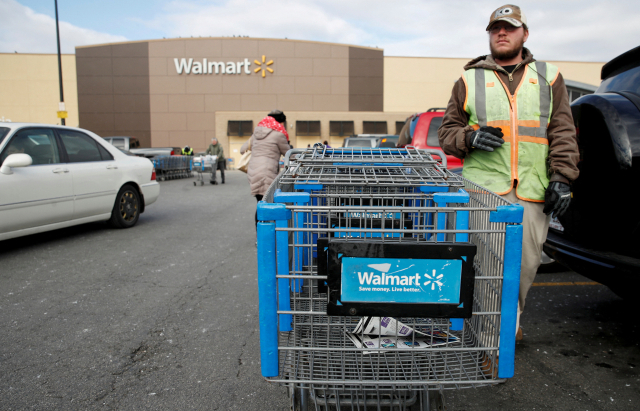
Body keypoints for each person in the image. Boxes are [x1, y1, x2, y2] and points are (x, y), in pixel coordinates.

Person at [438, 4, 579, 341]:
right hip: (486, 191)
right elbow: (447, 134)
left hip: (533, 190)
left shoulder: (548, 76)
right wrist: (468, 137)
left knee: (525, 267)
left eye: (509, 28)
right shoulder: (469, 79)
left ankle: (507, 324)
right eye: (495, 28)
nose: (501, 33)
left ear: (524, 34)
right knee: (489, 268)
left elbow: (562, 131)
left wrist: (562, 178)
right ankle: (493, 339)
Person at [240, 110, 290, 227]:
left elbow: (243, 149)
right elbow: (289, 154)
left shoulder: (257, 132)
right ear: (280, 122)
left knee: (260, 203)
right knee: (267, 205)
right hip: (267, 172)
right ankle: (264, 237)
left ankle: (260, 236)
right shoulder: (278, 134)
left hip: (253, 171)